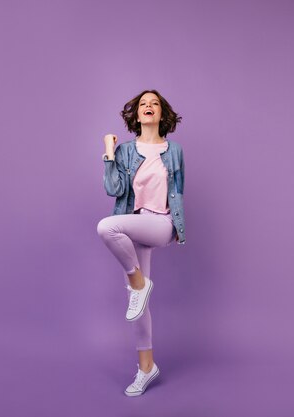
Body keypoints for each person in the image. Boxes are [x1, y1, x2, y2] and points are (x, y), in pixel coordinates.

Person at [96, 89, 186, 396]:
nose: (148, 106)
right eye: (143, 104)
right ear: (136, 115)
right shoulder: (124, 151)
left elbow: (178, 192)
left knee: (106, 227)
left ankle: (138, 282)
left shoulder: (174, 151)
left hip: (160, 223)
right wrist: (109, 152)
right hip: (134, 223)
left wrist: (178, 226)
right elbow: (114, 189)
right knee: (137, 304)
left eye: (155, 103)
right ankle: (147, 367)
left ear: (162, 114)